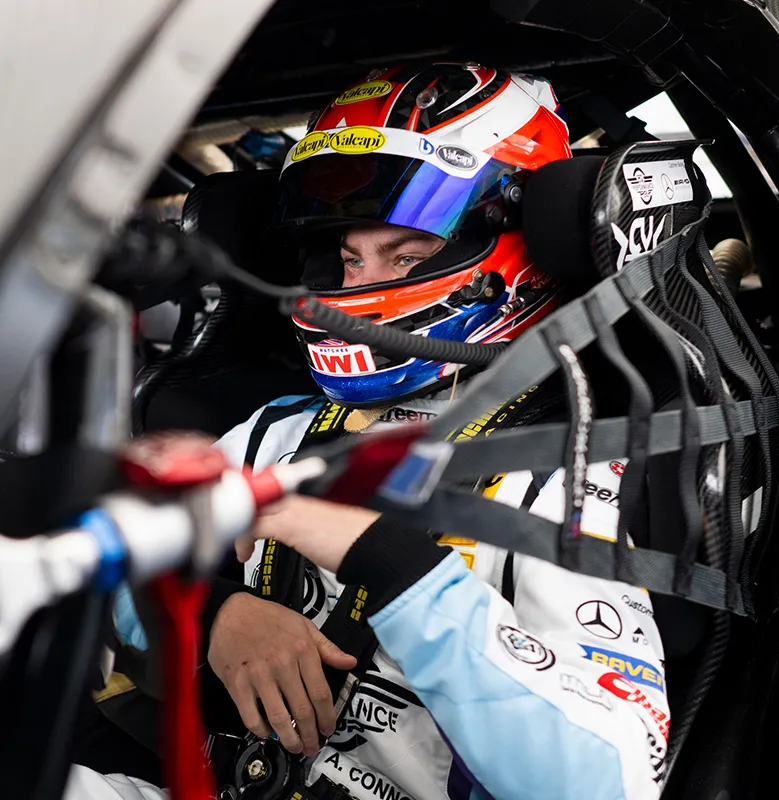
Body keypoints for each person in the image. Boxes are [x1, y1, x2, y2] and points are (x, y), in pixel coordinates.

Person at [200, 61, 669, 800]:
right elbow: (85, 552)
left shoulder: (561, 484)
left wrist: (384, 559)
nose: (356, 291)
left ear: (513, 255)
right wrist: (216, 615)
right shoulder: (278, 433)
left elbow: (611, 784)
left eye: (407, 256)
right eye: (348, 259)